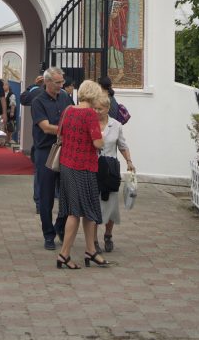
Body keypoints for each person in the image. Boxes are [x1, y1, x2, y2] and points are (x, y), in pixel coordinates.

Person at [56, 79, 106, 270]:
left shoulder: (68, 110)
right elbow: (97, 143)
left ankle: (90, 250)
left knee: (88, 211)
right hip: (83, 167)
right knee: (76, 213)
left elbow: (60, 134)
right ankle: (64, 254)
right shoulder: (90, 114)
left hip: (67, 165)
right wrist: (102, 137)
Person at [30, 67, 73, 250]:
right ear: (47, 82)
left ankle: (60, 227)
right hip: (46, 151)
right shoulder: (38, 101)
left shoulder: (65, 97)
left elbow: (74, 116)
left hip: (65, 149)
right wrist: (69, 130)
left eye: (62, 82)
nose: (61, 85)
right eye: (57, 82)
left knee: (68, 193)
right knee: (46, 195)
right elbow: (46, 127)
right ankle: (48, 234)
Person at [95, 93, 135, 253]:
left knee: (111, 204)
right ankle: (93, 240)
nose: (97, 111)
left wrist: (129, 161)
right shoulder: (90, 123)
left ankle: (108, 235)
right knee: (94, 204)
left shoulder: (116, 125)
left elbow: (123, 146)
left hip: (110, 169)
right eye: (95, 108)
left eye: (100, 109)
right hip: (93, 168)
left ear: (107, 108)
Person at [106, 0, 129, 84]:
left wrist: (118, 12)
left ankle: (120, 71)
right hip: (107, 23)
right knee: (108, 44)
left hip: (117, 24)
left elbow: (125, 5)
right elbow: (100, 6)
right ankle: (107, 71)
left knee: (117, 44)